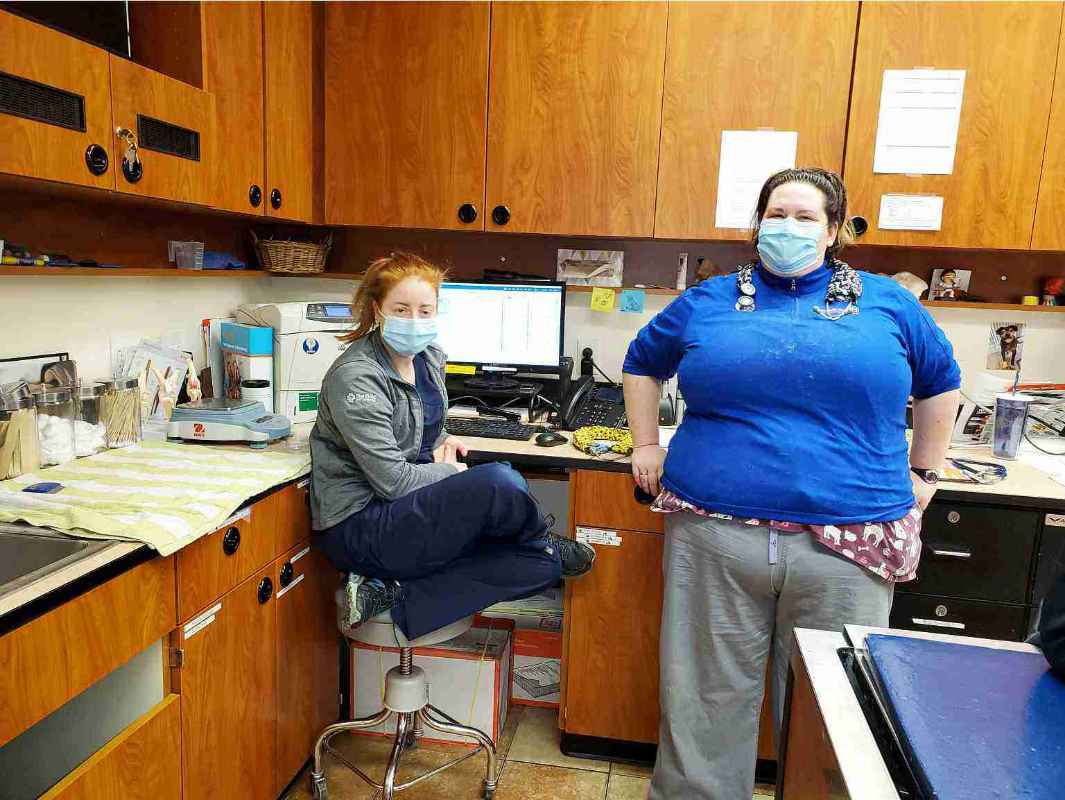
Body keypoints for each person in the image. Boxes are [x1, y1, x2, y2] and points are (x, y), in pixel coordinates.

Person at [622, 168, 961, 800]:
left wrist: (926, 470)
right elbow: (642, 363)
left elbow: (940, 381)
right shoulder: (710, 300)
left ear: (835, 231)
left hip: (847, 545)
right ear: (757, 225)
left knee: (834, 722)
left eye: (806, 217)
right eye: (776, 214)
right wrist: (646, 442)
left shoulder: (888, 303)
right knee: (702, 699)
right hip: (714, 536)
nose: (788, 228)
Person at [310, 252, 595, 640]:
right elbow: (392, 480)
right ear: (378, 310)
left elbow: (428, 429)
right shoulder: (357, 377)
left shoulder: (428, 357)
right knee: (499, 483)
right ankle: (543, 537)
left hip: (406, 511)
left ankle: (395, 593)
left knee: (539, 567)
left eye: (426, 310)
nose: (415, 321)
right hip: (361, 523)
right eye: (402, 309)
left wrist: (444, 439)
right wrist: (450, 471)